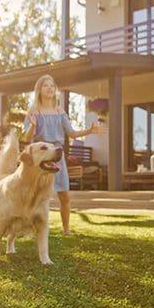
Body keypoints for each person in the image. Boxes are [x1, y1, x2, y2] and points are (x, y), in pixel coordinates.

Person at [22, 74, 97, 235]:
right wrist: (32, 126)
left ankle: (66, 229)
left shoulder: (59, 111)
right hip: (41, 157)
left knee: (65, 195)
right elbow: (27, 138)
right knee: (36, 196)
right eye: (45, 85)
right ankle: (29, 228)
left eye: (51, 85)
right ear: (39, 90)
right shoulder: (33, 111)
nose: (49, 88)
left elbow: (71, 133)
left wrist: (89, 131)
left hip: (57, 155)